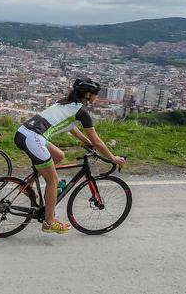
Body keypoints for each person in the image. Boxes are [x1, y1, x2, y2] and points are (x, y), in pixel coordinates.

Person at [14, 78, 126, 234]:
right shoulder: (81, 111)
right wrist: (112, 157)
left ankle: (27, 184)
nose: (97, 97)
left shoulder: (64, 103)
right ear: (87, 95)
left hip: (24, 132)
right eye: (95, 94)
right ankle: (49, 222)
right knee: (53, 181)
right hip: (34, 138)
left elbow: (71, 127)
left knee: (59, 155)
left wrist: (85, 142)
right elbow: (98, 141)